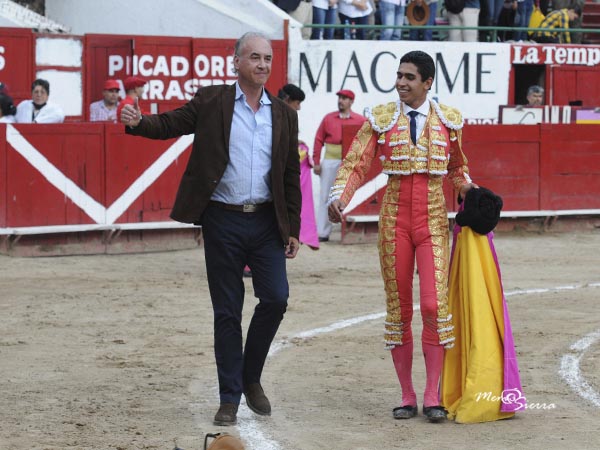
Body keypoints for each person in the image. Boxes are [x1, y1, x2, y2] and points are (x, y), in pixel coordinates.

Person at [120, 32, 301, 427]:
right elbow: (172, 123)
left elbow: (290, 174)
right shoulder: (212, 100)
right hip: (223, 219)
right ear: (235, 62)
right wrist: (139, 123)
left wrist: (293, 227)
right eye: (254, 57)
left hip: (267, 220)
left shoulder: (284, 114)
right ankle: (229, 397)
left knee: (276, 299)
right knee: (227, 312)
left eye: (267, 58)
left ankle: (250, 376)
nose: (263, 65)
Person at [328, 50, 476, 422]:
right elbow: (356, 162)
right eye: (398, 76)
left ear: (427, 83)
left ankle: (432, 395)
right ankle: (408, 395)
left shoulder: (448, 121)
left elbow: (458, 168)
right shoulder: (381, 119)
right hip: (394, 220)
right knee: (399, 308)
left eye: (409, 77)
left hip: (432, 221)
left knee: (432, 305)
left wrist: (471, 190)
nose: (400, 83)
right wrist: (339, 197)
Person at [313, 89, 365, 242]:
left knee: (347, 194)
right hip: (330, 160)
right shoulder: (328, 118)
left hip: (349, 162)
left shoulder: (360, 120)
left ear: (351, 102)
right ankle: (323, 232)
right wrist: (316, 162)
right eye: (340, 98)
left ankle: (348, 231)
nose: (341, 101)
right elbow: (318, 140)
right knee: (325, 196)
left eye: (344, 98)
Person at [278, 84, 319, 250]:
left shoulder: (276, 111)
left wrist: (295, 143)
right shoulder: (280, 114)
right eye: (297, 103)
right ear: (288, 100)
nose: (299, 107)